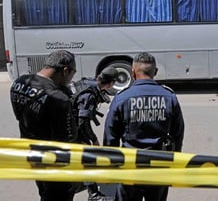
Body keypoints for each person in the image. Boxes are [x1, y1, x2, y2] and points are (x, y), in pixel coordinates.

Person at [103, 52, 185, 201]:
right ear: (155, 72)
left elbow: (110, 137)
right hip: (159, 165)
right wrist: (174, 161)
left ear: (133, 73)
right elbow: (177, 134)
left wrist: (112, 166)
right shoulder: (169, 97)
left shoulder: (122, 98)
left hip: (130, 166)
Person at [10, 50, 78, 201]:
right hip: (54, 162)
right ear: (65, 70)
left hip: (31, 153)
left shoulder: (19, 82)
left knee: (44, 191)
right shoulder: (59, 99)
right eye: (73, 73)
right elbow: (67, 139)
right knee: (59, 195)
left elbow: (18, 116)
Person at [72, 66, 120, 201]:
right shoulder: (90, 95)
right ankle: (93, 194)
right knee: (88, 159)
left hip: (70, 126)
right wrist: (93, 139)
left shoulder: (87, 83)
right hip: (74, 130)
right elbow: (83, 122)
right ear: (111, 83)